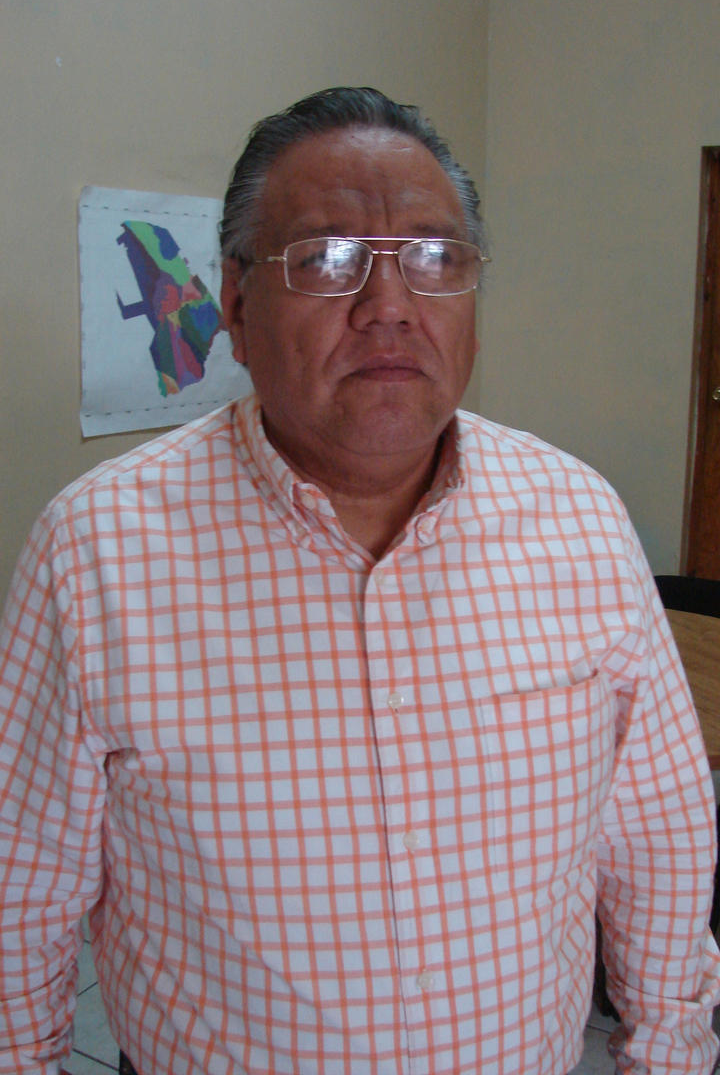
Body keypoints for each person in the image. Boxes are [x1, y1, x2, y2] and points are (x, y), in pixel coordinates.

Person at [0, 86, 718, 1075]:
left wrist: (670, 1051)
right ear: (236, 304)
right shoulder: (96, 552)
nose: (390, 306)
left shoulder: (580, 518)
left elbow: (659, 834)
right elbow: (22, 893)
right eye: (328, 258)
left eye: (435, 257)